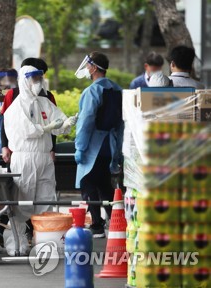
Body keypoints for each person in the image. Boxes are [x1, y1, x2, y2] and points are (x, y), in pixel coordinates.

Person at [3, 65, 77, 256]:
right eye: (33, 78)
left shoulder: (44, 102)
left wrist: (66, 124)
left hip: (44, 158)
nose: (38, 82)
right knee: (22, 203)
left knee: (46, 201)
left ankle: (46, 242)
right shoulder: (16, 107)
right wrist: (46, 128)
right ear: (24, 80)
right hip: (24, 157)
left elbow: (58, 121)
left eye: (39, 77)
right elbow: (26, 131)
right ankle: (16, 244)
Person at [74, 51, 124, 238]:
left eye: (88, 65)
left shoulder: (92, 91)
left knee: (87, 183)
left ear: (94, 67)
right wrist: (118, 151)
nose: (86, 68)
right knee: (104, 183)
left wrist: (80, 147)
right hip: (109, 146)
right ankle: (118, 222)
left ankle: (96, 224)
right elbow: (121, 124)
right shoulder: (117, 89)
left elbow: (86, 121)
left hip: (93, 146)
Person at [0, 58, 58, 163]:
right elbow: (5, 123)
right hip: (19, 151)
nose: (40, 79)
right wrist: (4, 146)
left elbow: (53, 124)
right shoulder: (12, 95)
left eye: (41, 75)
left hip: (43, 151)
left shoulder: (48, 96)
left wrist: (53, 149)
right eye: (36, 75)